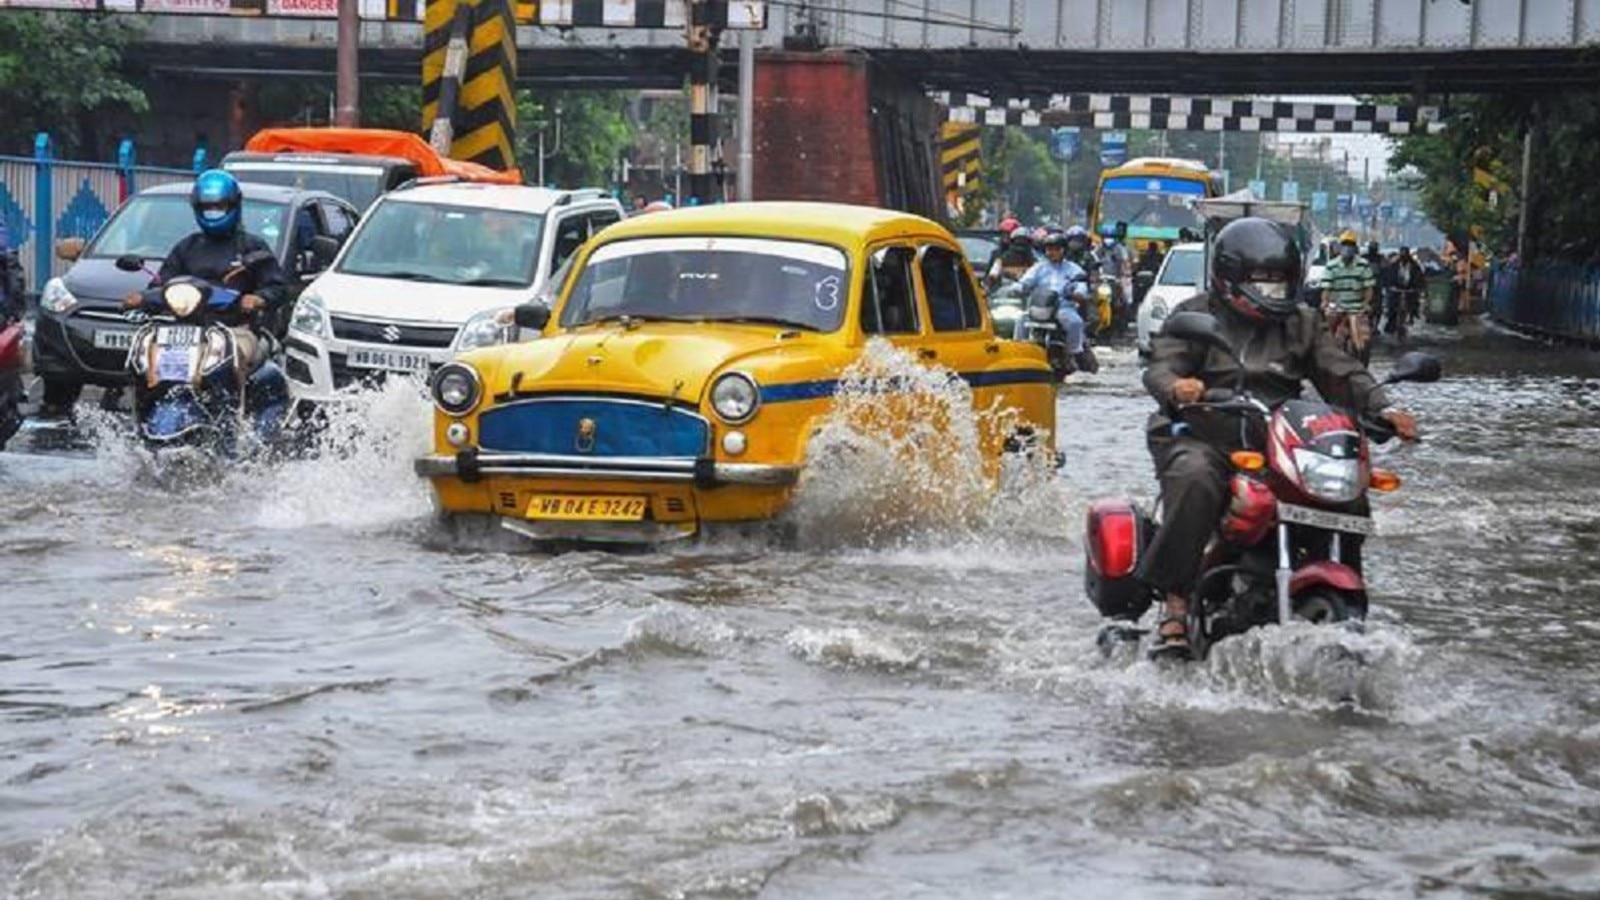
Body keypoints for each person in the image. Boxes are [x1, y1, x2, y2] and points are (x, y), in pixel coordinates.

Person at [1137, 217, 1419, 658]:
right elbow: (1161, 365)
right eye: (1263, 285)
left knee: (1348, 488)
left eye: (1281, 284)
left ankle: (1338, 580)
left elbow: (1340, 372)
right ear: (1228, 279)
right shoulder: (1195, 315)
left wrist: (1383, 407)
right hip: (1203, 430)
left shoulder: (1302, 323)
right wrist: (1177, 387)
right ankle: (1175, 599)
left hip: (1276, 438)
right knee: (1195, 478)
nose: (1274, 294)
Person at [125, 170, 286, 380]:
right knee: (144, 359)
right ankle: (141, 405)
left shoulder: (252, 247)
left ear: (233, 205)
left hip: (235, 328)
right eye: (207, 208)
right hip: (183, 331)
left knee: (232, 360)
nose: (213, 212)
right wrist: (142, 298)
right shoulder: (186, 247)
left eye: (219, 207)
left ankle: (233, 410)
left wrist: (258, 298)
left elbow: (278, 287)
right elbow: (162, 283)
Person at [998, 231, 1092, 373]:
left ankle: (1075, 352)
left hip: (1063, 307)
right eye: (1049, 249)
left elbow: (1081, 285)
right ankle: (1019, 352)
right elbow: (1025, 282)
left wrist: (1078, 293)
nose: (1052, 252)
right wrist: (1016, 289)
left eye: (1056, 249)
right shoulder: (1038, 268)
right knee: (1020, 319)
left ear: (1063, 250)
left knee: (1075, 322)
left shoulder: (1073, 269)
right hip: (1039, 307)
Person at [1321, 231, 1376, 361]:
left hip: (1357, 308)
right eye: (1345, 245)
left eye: (1350, 245)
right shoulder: (1331, 266)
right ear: (1340, 247)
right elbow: (1326, 288)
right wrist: (1325, 302)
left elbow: (1369, 288)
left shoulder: (1363, 264)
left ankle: (1362, 362)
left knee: (1365, 340)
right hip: (1337, 307)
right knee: (1326, 334)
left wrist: (1366, 303)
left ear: (1355, 248)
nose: (1347, 248)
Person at [1381, 245, 1427, 334]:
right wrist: (1390, 286)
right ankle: (1391, 322)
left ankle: (1412, 315)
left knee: (1413, 303)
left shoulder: (1414, 266)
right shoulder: (1394, 266)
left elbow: (1419, 278)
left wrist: (1417, 287)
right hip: (1395, 290)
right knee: (1391, 307)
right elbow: (1388, 277)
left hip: (1410, 290)